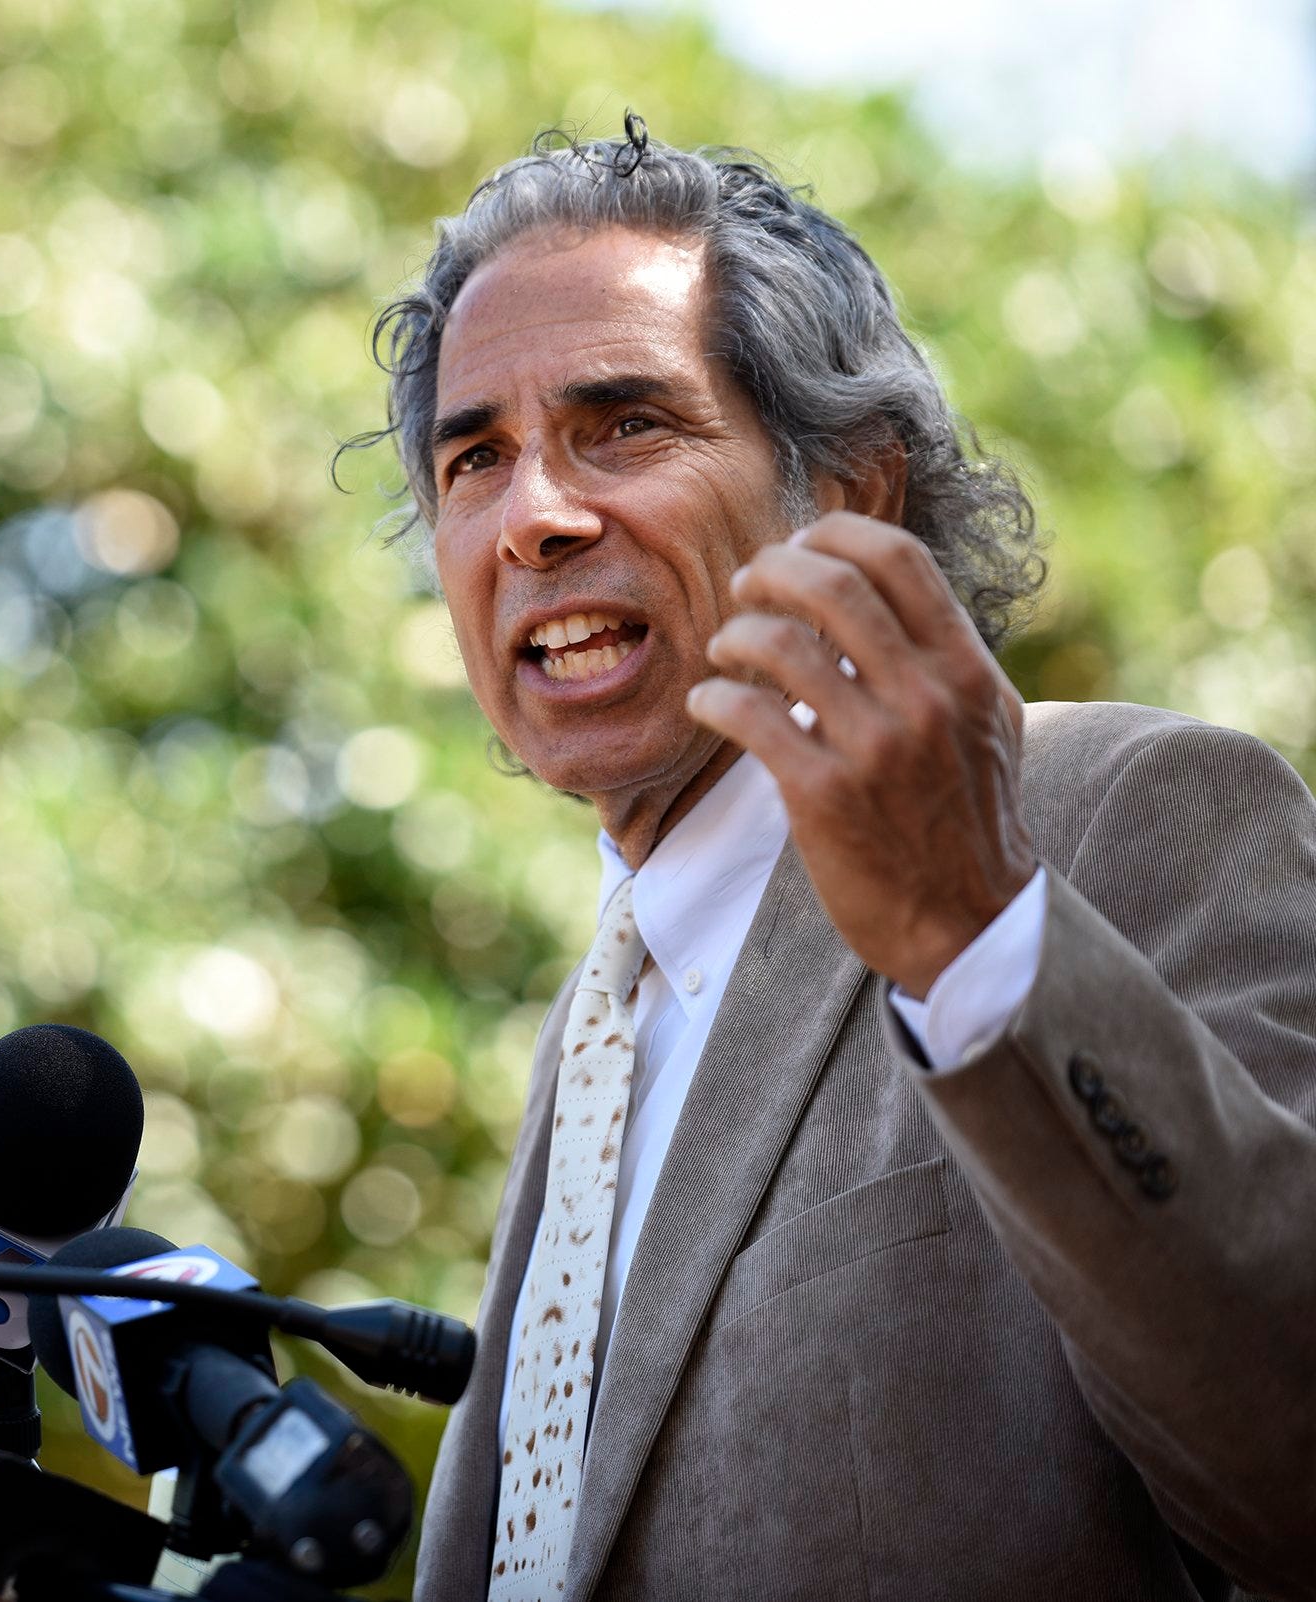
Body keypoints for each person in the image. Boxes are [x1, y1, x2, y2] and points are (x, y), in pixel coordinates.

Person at [358, 122, 1316, 1601]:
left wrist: (979, 941)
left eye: (626, 423)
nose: (533, 515)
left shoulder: (1114, 810)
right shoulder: (594, 1025)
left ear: (852, 498)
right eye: (473, 459)